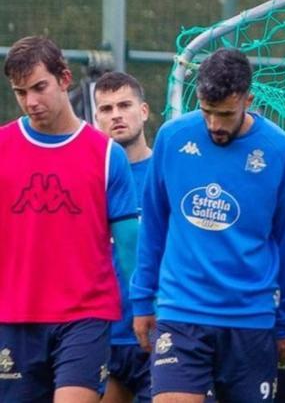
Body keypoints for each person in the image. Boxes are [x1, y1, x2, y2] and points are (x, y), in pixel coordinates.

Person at [131, 47, 285, 402]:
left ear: (248, 100)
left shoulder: (280, 151)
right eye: (207, 112)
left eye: (225, 114)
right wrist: (143, 300)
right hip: (182, 313)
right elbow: (154, 225)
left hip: (250, 319)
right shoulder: (172, 137)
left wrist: (283, 318)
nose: (214, 125)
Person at [0, 36, 139, 402]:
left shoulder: (107, 155)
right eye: (20, 92)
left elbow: (129, 248)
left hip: (84, 318)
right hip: (14, 318)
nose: (31, 101)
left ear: (64, 80)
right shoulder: (2, 147)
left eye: (39, 87)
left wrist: (146, 307)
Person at [93, 71, 155, 403]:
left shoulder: (168, 172)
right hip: (98, 335)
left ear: (143, 110)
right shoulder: (88, 174)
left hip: (157, 332)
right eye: (105, 109)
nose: (116, 115)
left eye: (124, 105)